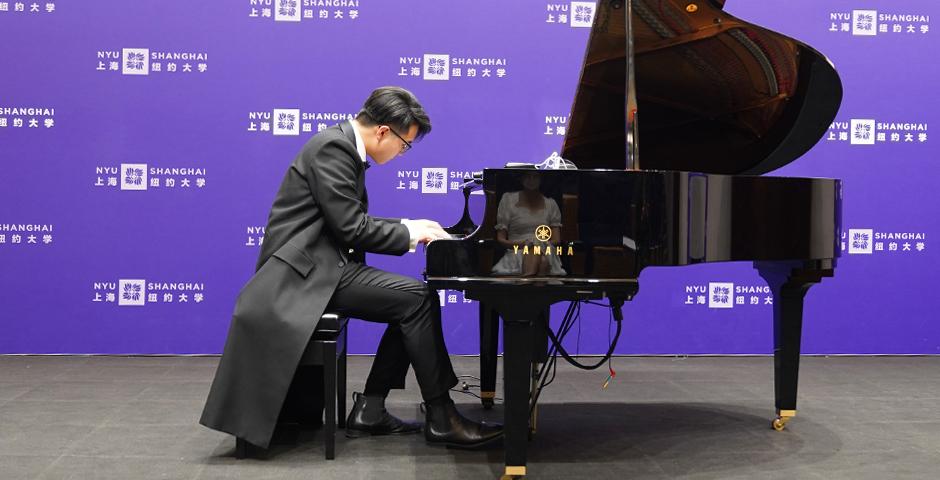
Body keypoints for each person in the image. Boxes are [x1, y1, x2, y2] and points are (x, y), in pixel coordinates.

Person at [200, 86, 502, 451]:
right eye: (405, 145)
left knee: (412, 301)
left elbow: (347, 218)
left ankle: (373, 410)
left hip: (323, 264)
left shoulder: (341, 146)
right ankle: (440, 417)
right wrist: (409, 233)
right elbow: (351, 228)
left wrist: (409, 222)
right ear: (383, 132)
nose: (402, 153)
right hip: (305, 275)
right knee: (417, 299)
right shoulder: (333, 148)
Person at [491, 171, 566, 276]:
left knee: (538, 248)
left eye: (535, 177)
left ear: (541, 179)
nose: (531, 180)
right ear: (521, 178)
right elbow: (501, 238)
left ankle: (525, 279)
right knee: (543, 262)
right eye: (528, 176)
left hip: (545, 249)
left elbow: (556, 240)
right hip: (517, 250)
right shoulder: (508, 199)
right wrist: (523, 244)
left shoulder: (551, 204)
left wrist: (537, 243)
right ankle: (530, 281)